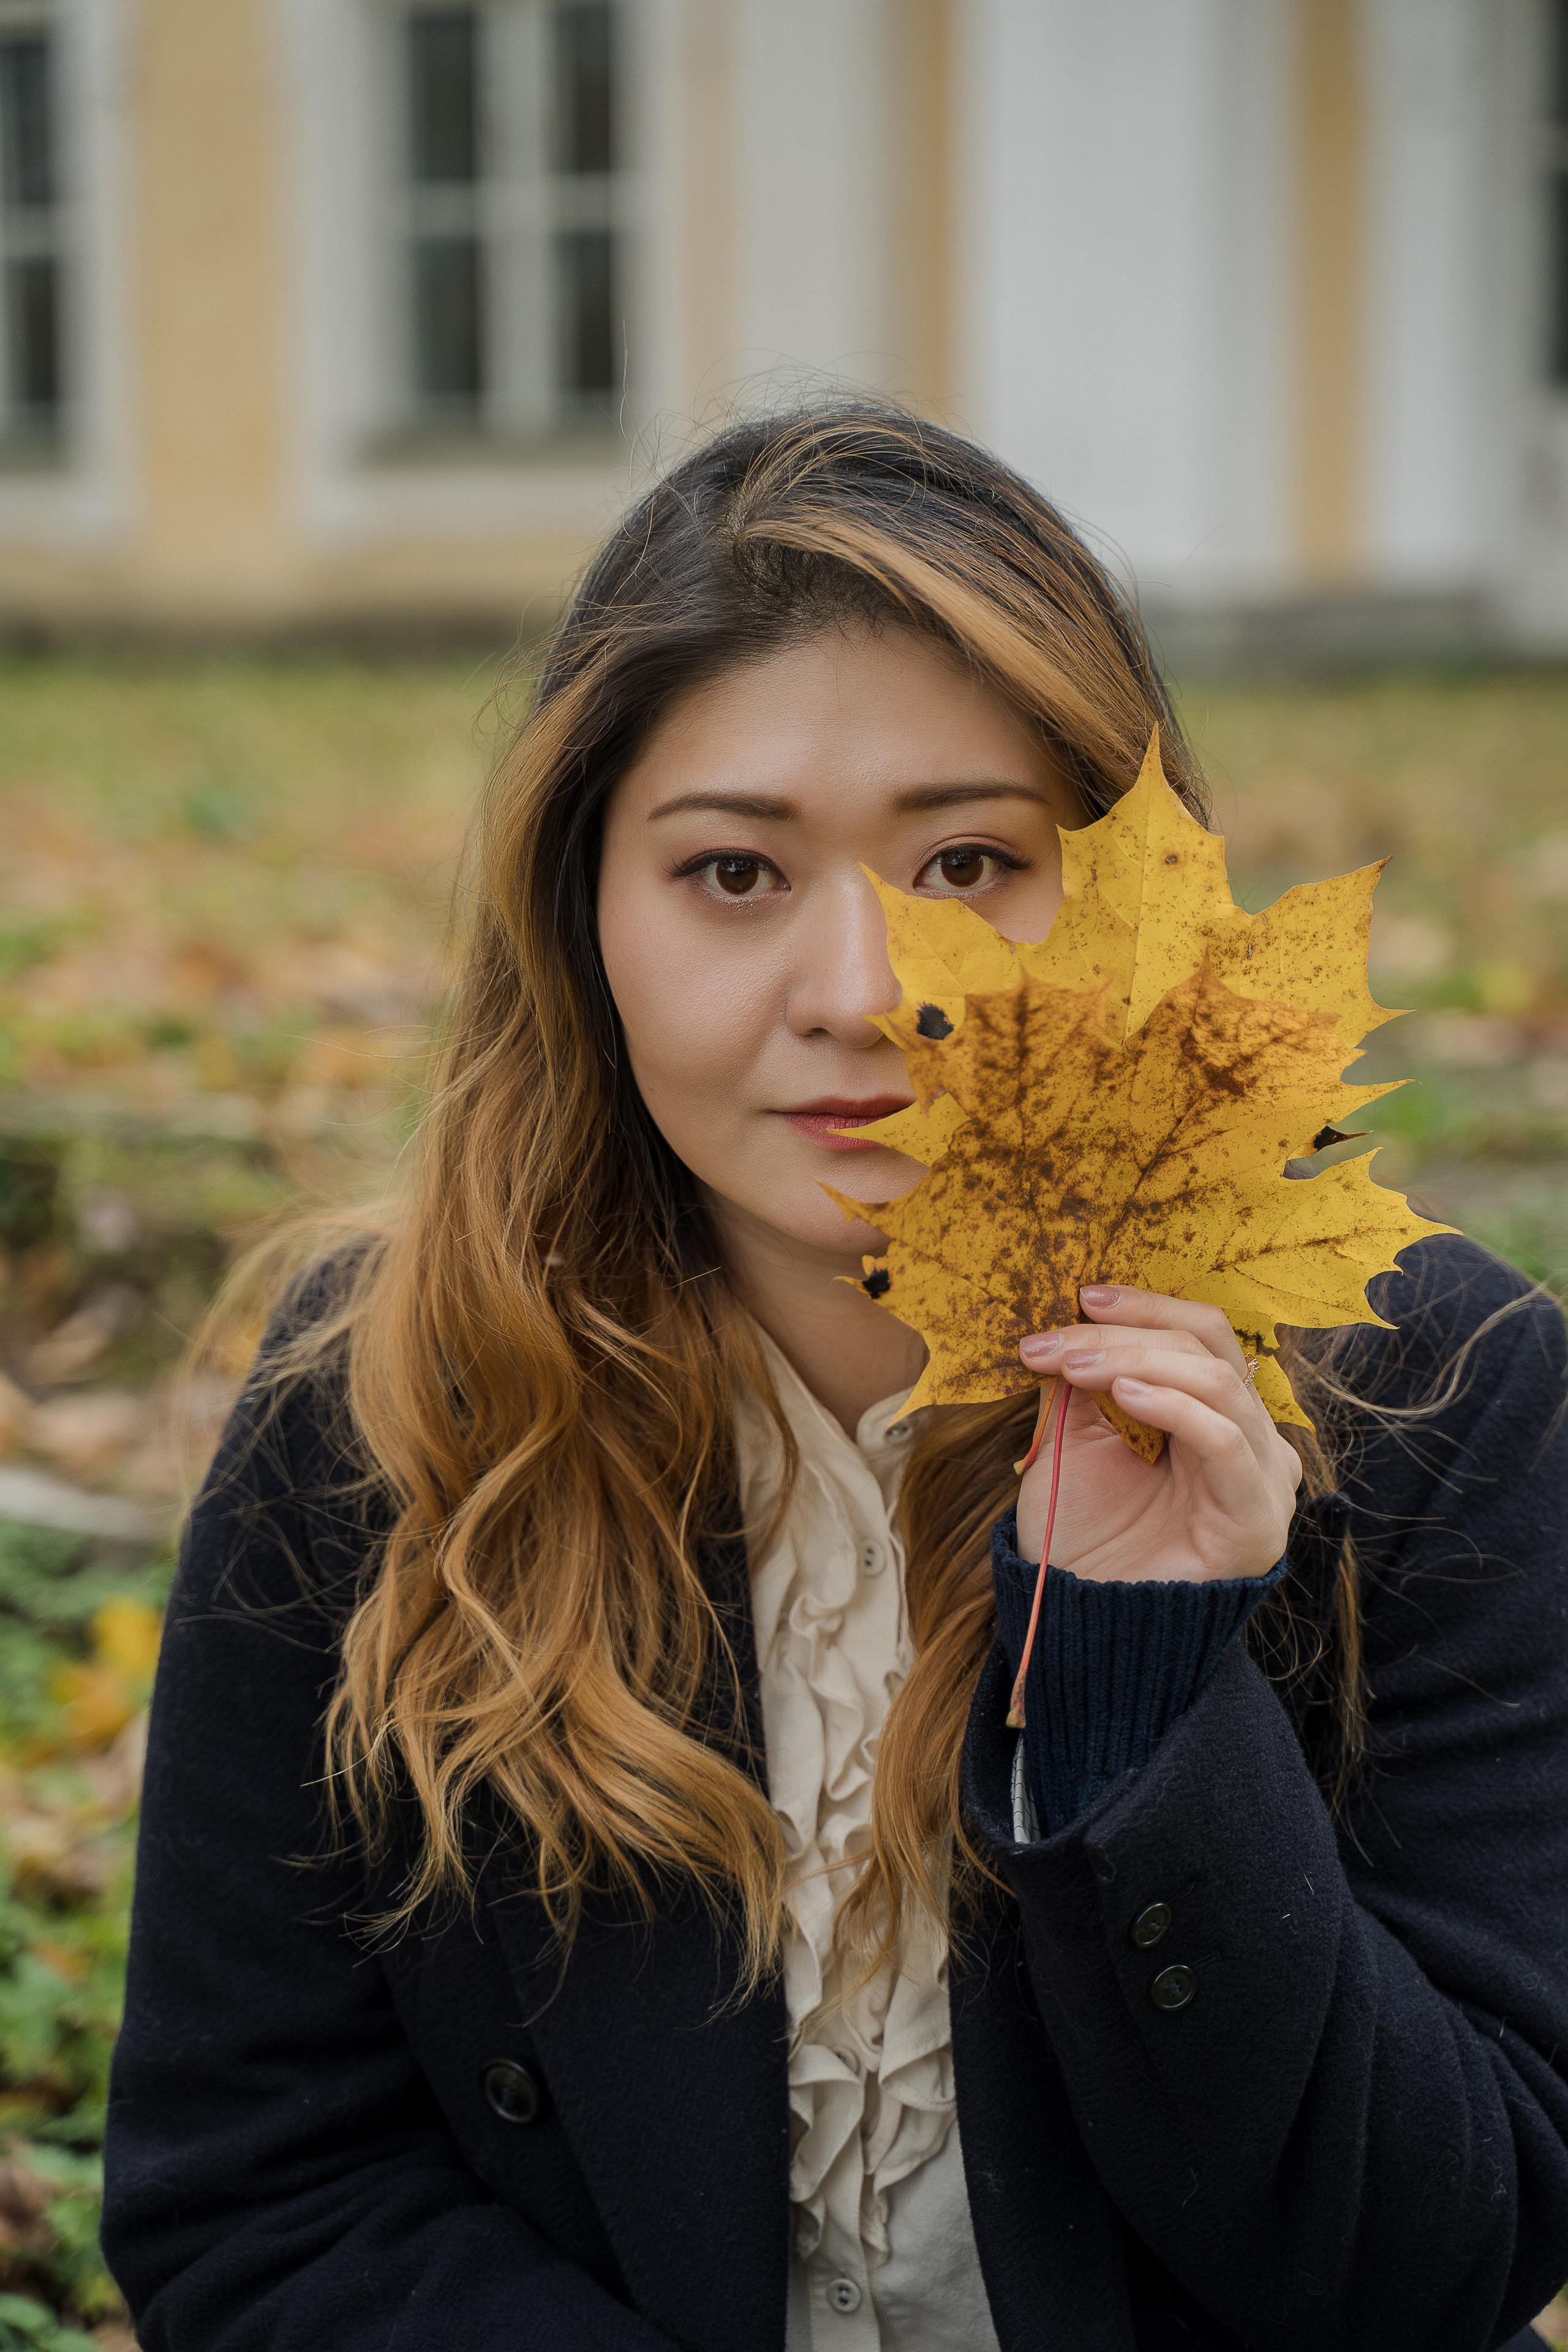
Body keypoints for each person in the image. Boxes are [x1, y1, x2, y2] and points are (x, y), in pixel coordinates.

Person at [102, 407, 1568, 2352]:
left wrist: (1138, 1692)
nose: (865, 990)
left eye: (974, 857)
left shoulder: (1436, 1398)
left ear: (1153, 919)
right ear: (583, 919)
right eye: (731, 874)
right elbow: (259, 2202)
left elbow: (1443, 2258)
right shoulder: (383, 1410)